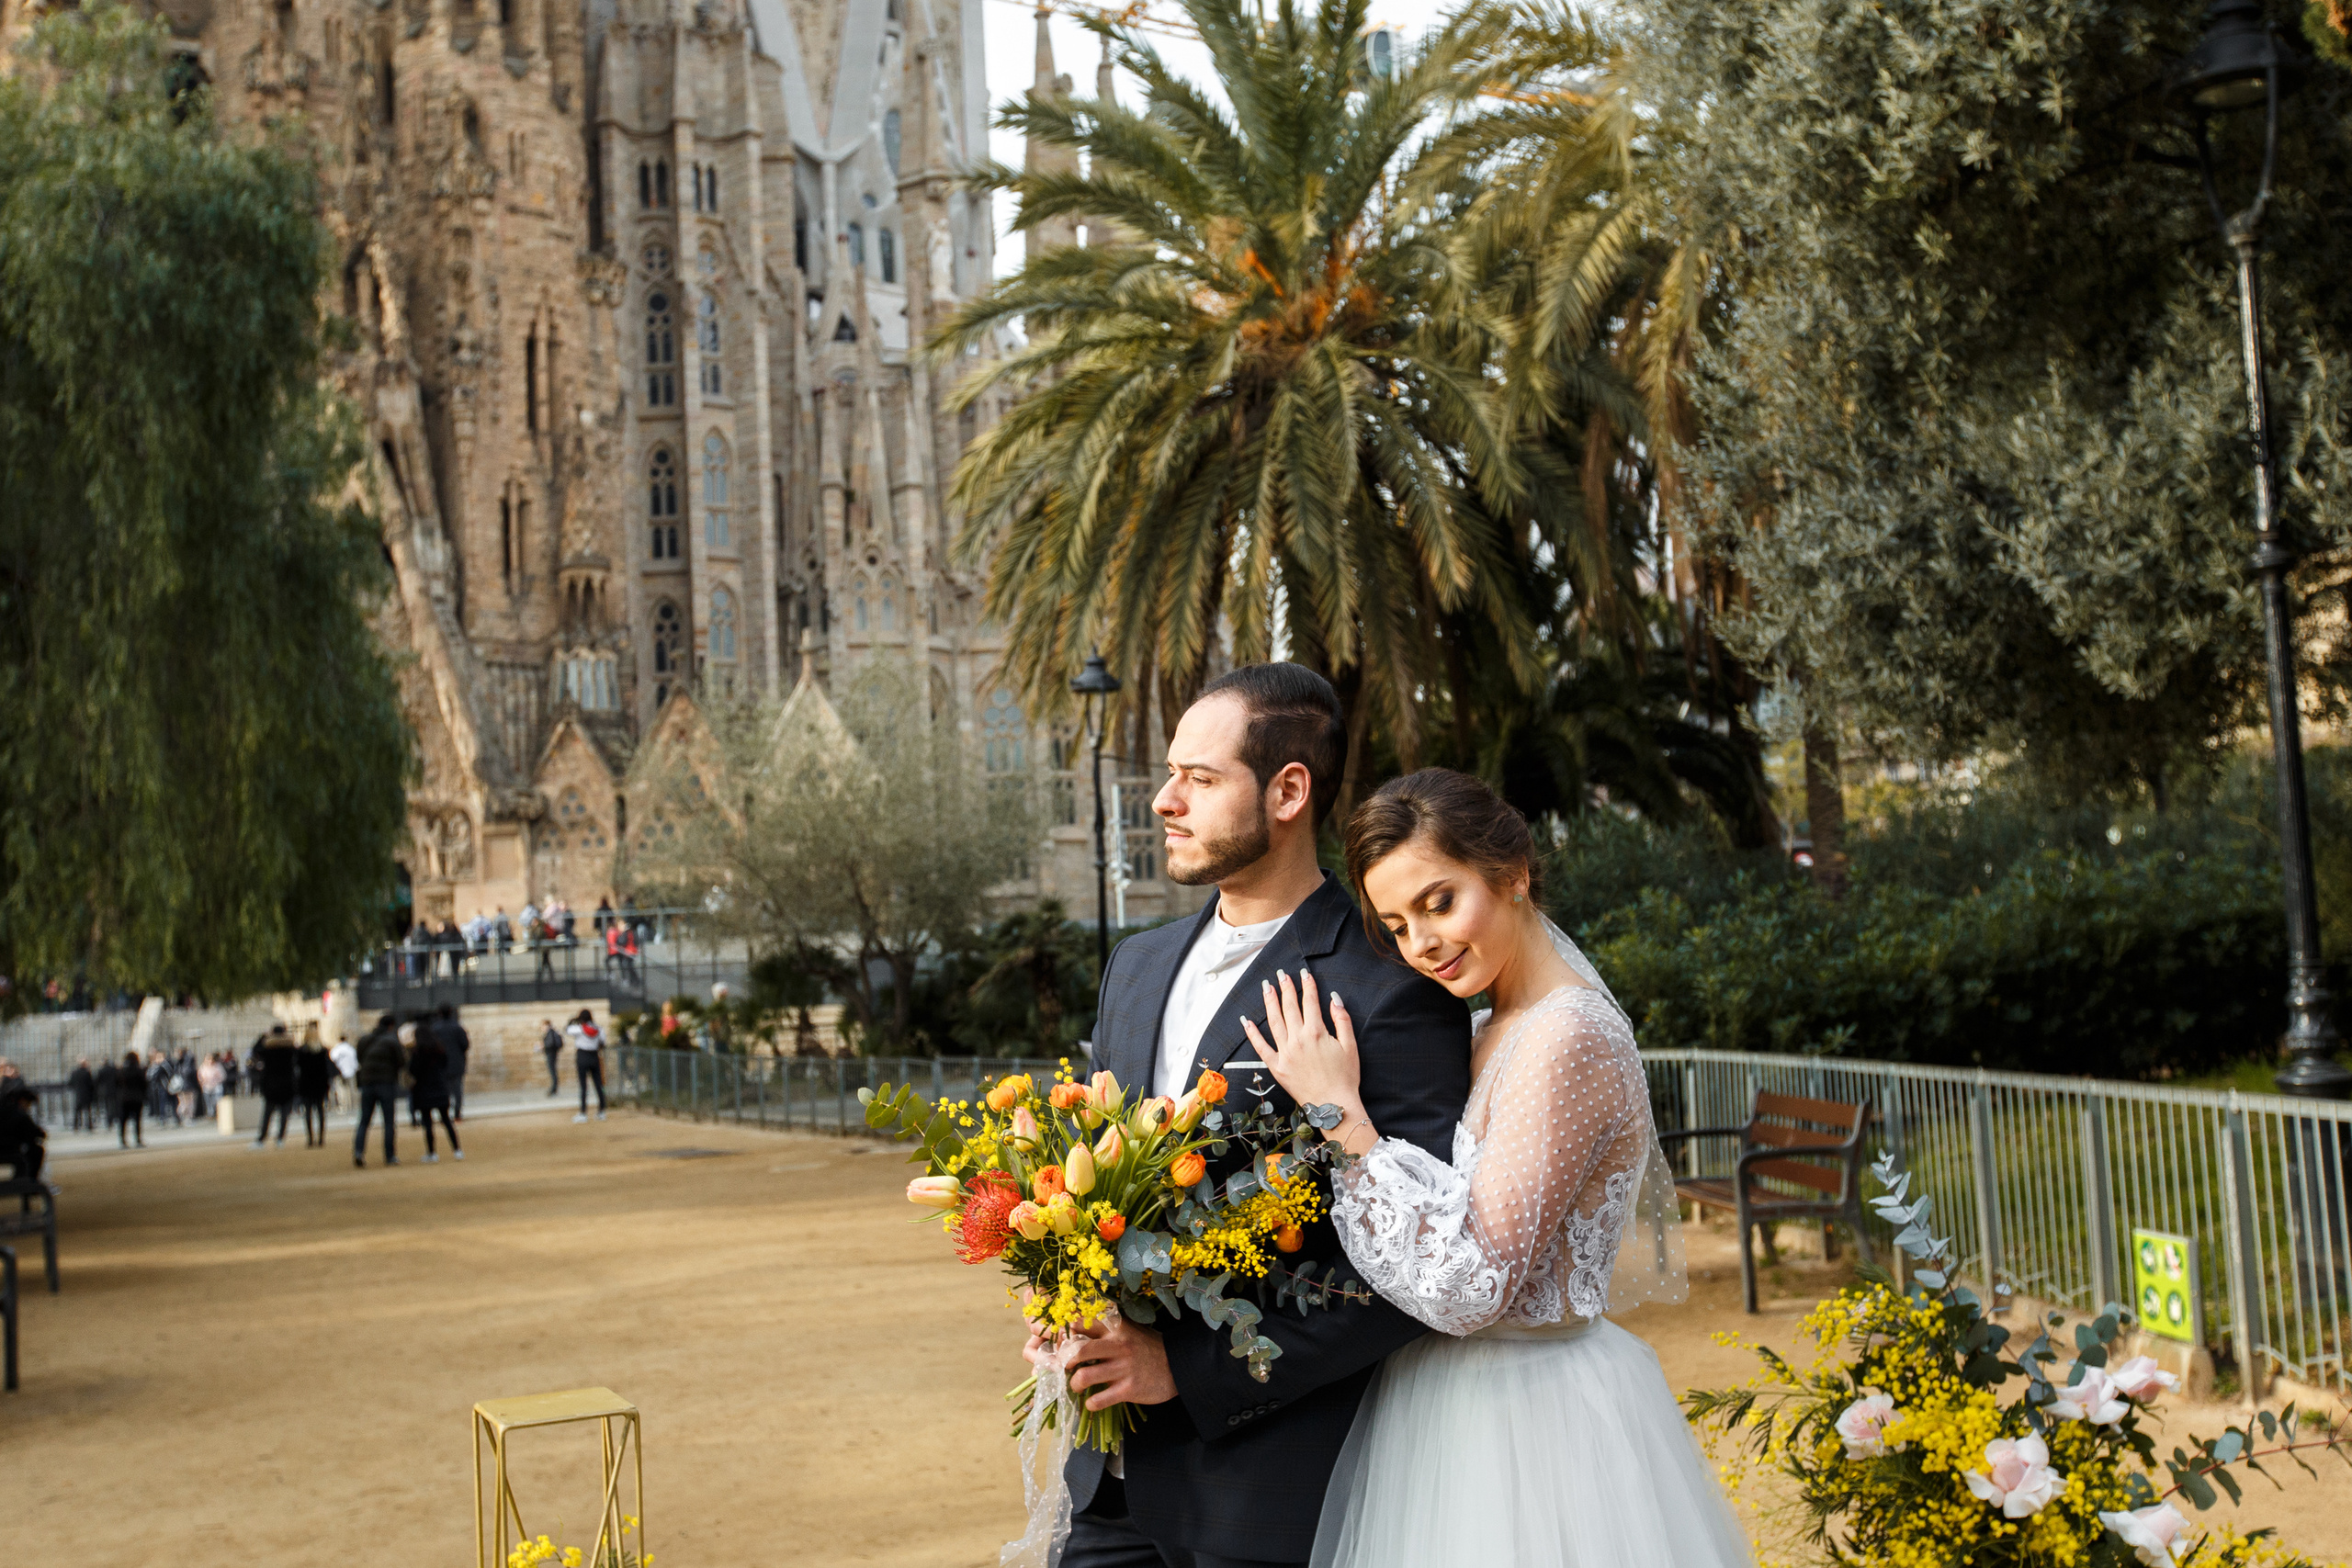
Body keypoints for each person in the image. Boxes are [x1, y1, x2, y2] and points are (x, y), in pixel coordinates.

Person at [1245, 768, 1749, 1568]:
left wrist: (1343, 1116)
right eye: (1399, 924)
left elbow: (1470, 1283)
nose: (1423, 944)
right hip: (1445, 1406)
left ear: (1512, 872)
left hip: (1528, 1425)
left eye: (1440, 902)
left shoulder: (1567, 1038)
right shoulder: (1487, 1022)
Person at [1029, 664, 1473, 1568]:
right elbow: (1100, 1176)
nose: (1164, 800)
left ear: (1287, 790)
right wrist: (1065, 1289)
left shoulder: (1388, 993)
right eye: (1168, 775)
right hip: (1107, 1486)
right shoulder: (1135, 965)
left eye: (1199, 779)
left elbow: (1408, 1279)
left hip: (1266, 1496)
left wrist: (1185, 1373)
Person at [406, 1017, 461, 1164]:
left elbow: (413, 1070)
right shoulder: (439, 1049)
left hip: (424, 1089)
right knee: (446, 1120)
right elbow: (444, 1065)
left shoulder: (417, 1052)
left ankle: (432, 1153)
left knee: (428, 1123)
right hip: (439, 1087)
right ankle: (457, 1150)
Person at [351, 1014, 403, 1168]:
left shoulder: (364, 1039)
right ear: (391, 1026)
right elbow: (400, 1061)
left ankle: (359, 1152)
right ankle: (390, 1155)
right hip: (386, 1082)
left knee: (364, 1120)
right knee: (388, 1121)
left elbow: (360, 1058)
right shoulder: (392, 1041)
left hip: (367, 1082)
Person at [253, 1024, 300, 1148]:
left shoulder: (268, 1049)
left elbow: (255, 1050)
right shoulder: (289, 1049)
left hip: (271, 1084)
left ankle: (262, 1138)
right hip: (287, 1084)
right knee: (284, 1114)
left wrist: (264, 1036)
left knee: (267, 1113)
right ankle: (280, 1138)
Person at [297, 1025, 335, 1148]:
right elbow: (327, 1069)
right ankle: (321, 1138)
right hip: (320, 1084)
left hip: (306, 1084)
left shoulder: (301, 1051)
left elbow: (298, 1068)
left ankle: (310, 1138)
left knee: (308, 1112)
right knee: (320, 1111)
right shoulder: (323, 1051)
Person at [0, 1085, 45, 1184]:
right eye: (28, 1104)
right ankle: (28, 1183)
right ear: (23, 1100)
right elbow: (33, 1131)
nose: (28, 1107)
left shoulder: (6, 1107)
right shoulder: (17, 1112)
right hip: (6, 1149)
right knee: (36, 1151)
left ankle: (20, 1180)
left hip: (5, 1146)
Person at [568, 1010, 605, 1122]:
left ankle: (583, 1113)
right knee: (598, 1084)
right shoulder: (598, 1029)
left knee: (583, 1086)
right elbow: (603, 1042)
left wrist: (572, 1020)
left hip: (582, 1056)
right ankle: (602, 1111)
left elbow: (567, 1030)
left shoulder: (579, 1029)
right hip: (594, 1056)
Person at [435, 1004, 471, 1120]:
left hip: (441, 1064)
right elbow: (465, 1045)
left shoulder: (435, 1029)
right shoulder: (458, 1028)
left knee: (443, 1090)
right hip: (457, 1063)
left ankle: (444, 1114)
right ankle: (457, 1113)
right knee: (457, 1090)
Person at [116, 1050, 148, 1148]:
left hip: (124, 1098)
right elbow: (144, 1084)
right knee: (137, 1120)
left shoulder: (121, 1071)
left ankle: (122, 1140)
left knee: (123, 1121)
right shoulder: (139, 1070)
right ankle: (138, 1139)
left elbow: (117, 1084)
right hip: (137, 1098)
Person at [68, 1057, 96, 1132]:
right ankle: (89, 1125)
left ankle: (76, 1125)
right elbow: (91, 1084)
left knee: (77, 1111)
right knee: (88, 1111)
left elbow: (70, 1083)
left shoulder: (74, 1073)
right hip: (86, 1094)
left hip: (78, 1094)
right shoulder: (87, 1073)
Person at [539, 1020, 564, 1096]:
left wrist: (543, 1045)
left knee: (552, 1071)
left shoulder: (550, 1033)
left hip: (551, 1054)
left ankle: (554, 1088)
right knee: (553, 1071)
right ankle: (554, 1088)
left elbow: (550, 1043)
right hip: (552, 1053)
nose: (542, 1028)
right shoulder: (552, 1032)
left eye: (543, 1026)